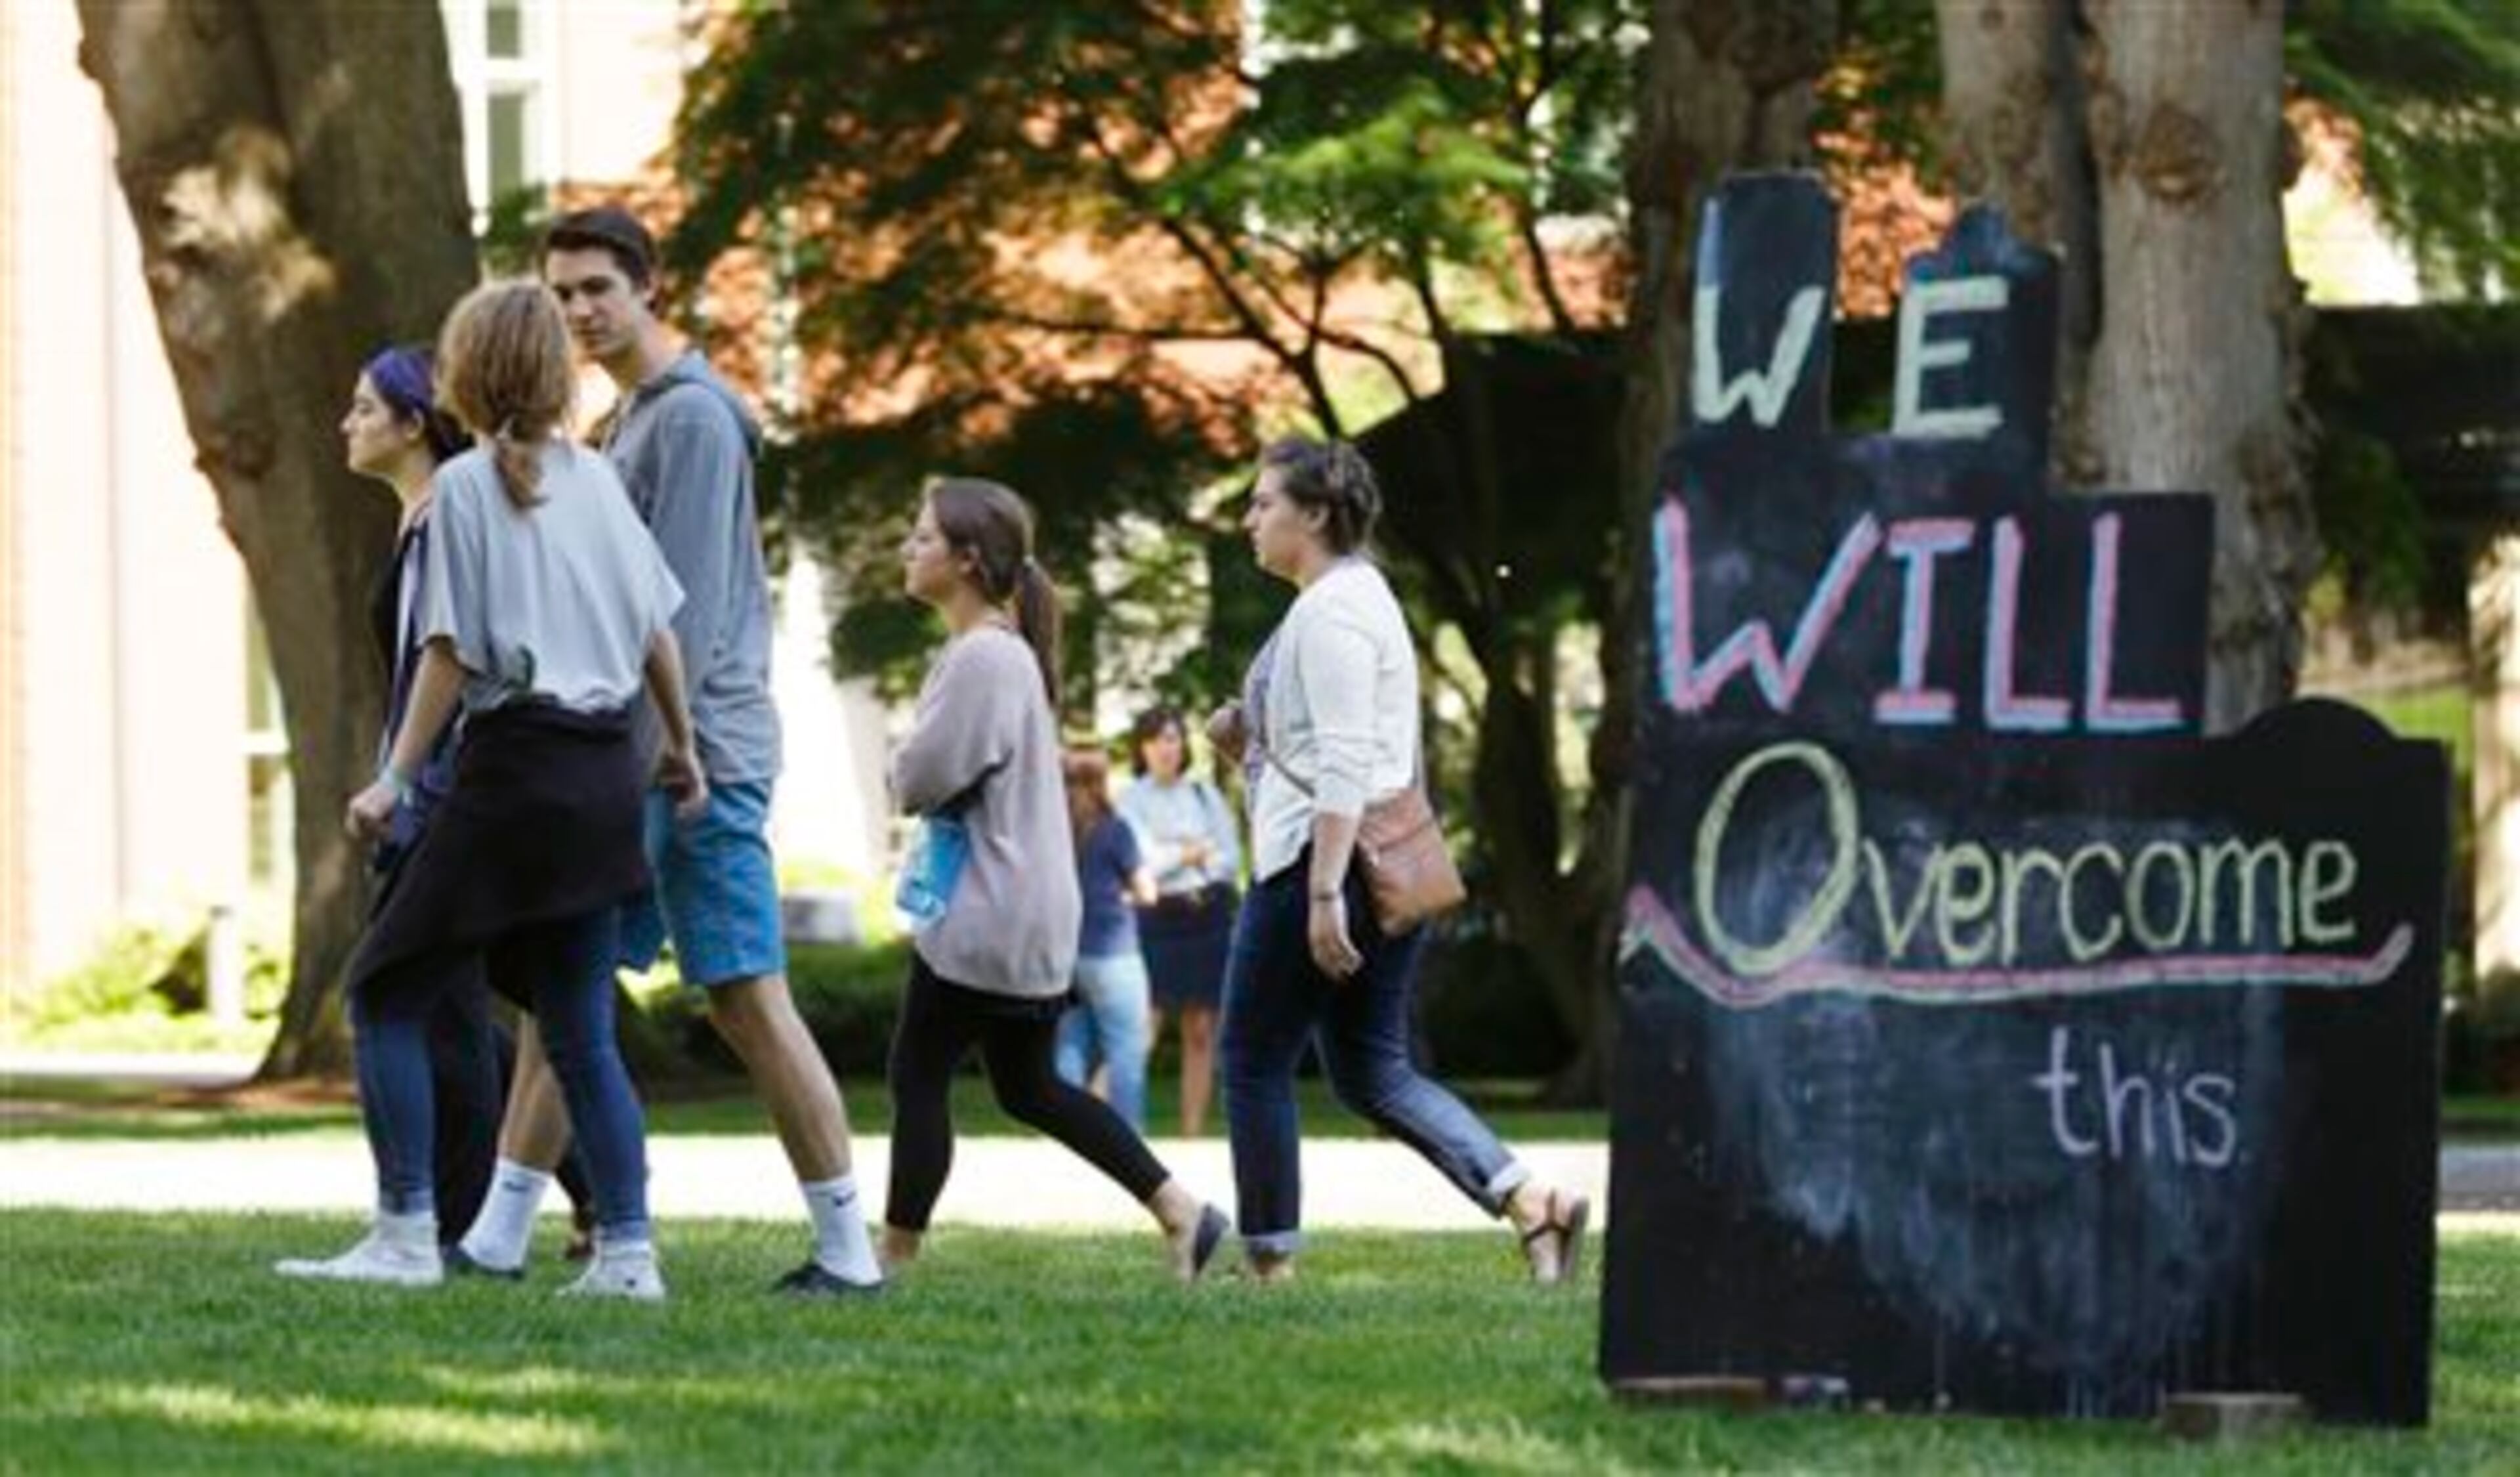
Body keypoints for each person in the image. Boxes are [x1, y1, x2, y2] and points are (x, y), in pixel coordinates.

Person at [453, 205, 883, 1297]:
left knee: (743, 995)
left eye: (599, 287)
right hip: (638, 752)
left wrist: (640, 757)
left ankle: (848, 1251)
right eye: (561, 294)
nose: (581, 311)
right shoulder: (631, 415)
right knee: (570, 984)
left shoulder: (690, 420)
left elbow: (672, 621)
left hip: (699, 761)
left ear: (649, 287)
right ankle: (498, 1239)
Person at [276, 280, 700, 1298]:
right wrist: (683, 750)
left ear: (464, 376)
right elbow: (656, 634)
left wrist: (394, 778)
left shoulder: (465, 488)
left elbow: (449, 653)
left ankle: (407, 1231)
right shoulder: (594, 479)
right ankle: (629, 1256)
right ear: (555, 373)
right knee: (579, 1026)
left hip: (515, 773)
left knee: (383, 988)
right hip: (602, 771)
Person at [1208, 437, 1590, 1285]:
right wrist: (1249, 740)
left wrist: (1318, 896)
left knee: (1251, 1059)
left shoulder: (1335, 608)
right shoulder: (1343, 599)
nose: (1250, 519)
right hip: (1363, 858)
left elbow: (1347, 759)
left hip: (1327, 867)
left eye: (1264, 502)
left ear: (1314, 514)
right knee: (1372, 1071)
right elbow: (1338, 746)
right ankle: (1536, 1207)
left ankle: (1269, 1262)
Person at [883, 477, 1228, 1279]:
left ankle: (892, 1256)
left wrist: (904, 757)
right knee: (1030, 1085)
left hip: (986, 912)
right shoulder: (1008, 656)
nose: (909, 547)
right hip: (1028, 910)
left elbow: (921, 778)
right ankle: (1183, 1211)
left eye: (923, 536)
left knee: (918, 1072)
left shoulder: (982, 658)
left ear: (967, 561)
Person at [1115, 706, 1241, 1136]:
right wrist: (1186, 853)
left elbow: (1229, 859)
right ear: (1142, 748)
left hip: (1206, 915)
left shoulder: (1205, 795)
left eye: (1173, 739)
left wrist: (1190, 856)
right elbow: (1140, 863)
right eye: (1157, 740)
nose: (1167, 748)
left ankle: (1192, 1134)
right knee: (1143, 1025)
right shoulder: (1131, 798)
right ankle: (1113, 1128)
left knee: (1202, 1029)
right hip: (1155, 917)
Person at [1053, 748, 1158, 1130]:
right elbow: (1148, 892)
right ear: (1101, 782)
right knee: (1127, 1048)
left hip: (1067, 955)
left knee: (1071, 1046)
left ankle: (1067, 1134)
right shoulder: (1116, 829)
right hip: (1113, 954)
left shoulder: (1055, 831)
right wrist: (1123, 896)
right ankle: (1129, 1136)